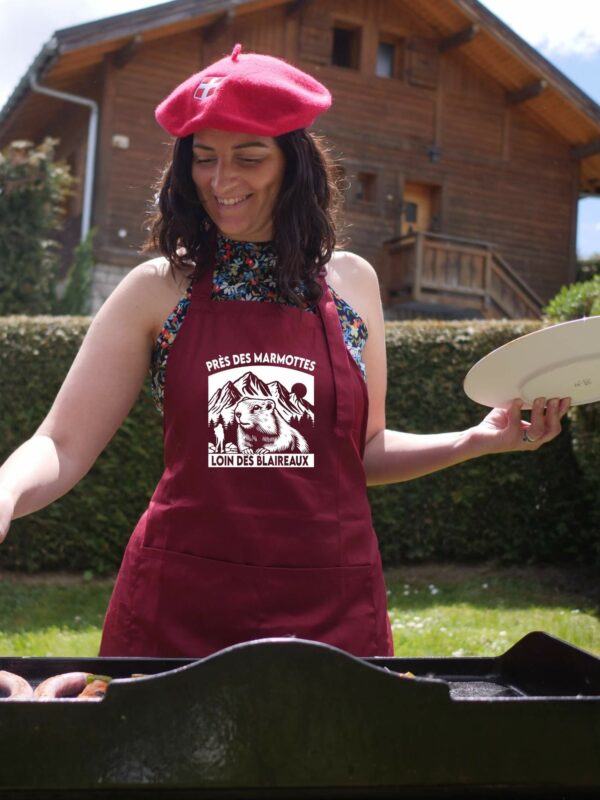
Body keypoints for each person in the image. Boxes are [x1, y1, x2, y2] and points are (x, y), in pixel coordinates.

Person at [0, 45, 570, 658]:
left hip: (333, 608)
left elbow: (365, 451)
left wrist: (473, 440)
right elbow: (61, 443)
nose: (222, 181)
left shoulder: (354, 284)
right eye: (204, 158)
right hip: (181, 606)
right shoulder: (157, 289)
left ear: (295, 165)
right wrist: (5, 490)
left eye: (249, 158)